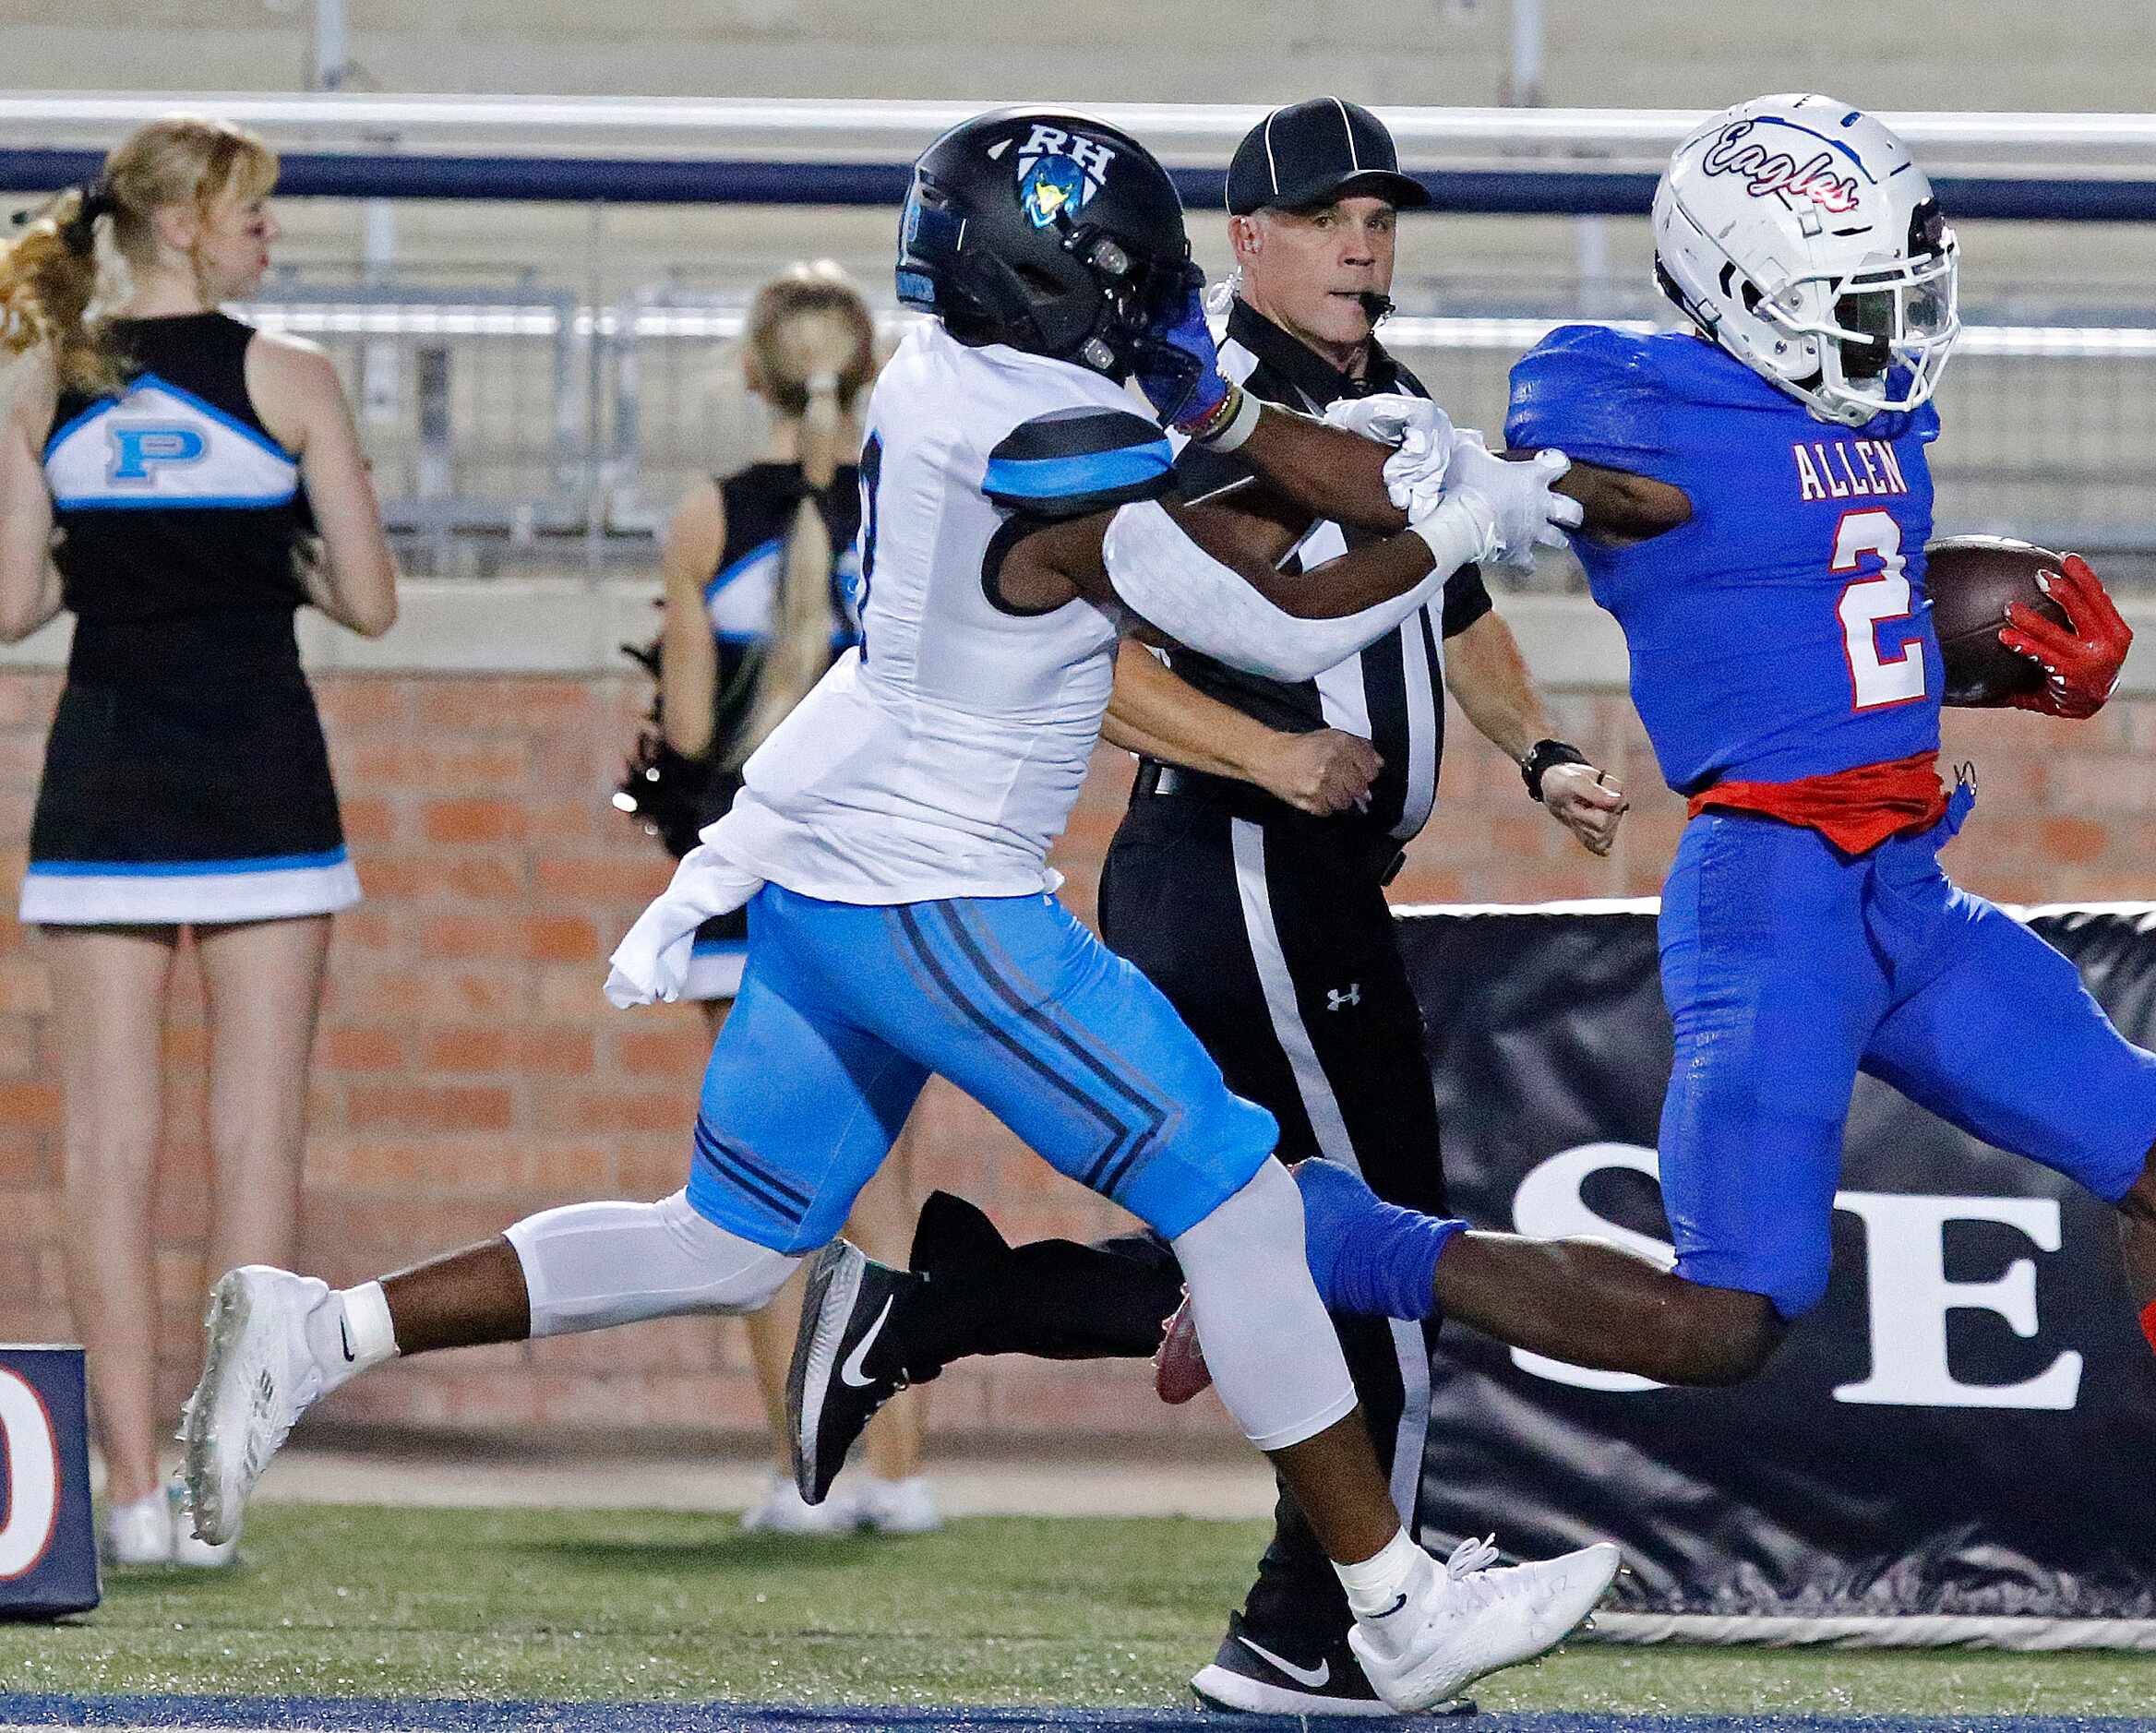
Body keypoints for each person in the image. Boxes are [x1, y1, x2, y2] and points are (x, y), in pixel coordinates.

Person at [811, 93, 2156, 1679]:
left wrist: (1987, 636)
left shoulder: (1859, 402)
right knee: (1722, 1326)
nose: (1894, 323)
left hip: (1902, 889)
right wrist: (1427, 469)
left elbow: (1821, 575)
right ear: (1752, 283)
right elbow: (1611, 498)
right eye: (1858, 289)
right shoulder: (1620, 399)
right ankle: (1300, 1242)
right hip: (1773, 894)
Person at [176, 107, 1614, 1714]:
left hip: (833, 895)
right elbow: (1276, 623)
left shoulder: (948, 373)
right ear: (1058, 282)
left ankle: (318, 1329)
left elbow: (1238, 440)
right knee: (1245, 1199)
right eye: (1132, 274)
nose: (1157, 298)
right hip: (946, 904)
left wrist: (1416, 456)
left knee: (725, 1242)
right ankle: (1386, 1598)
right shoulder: (1055, 454)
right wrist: (1456, 523)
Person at [802, 98, 1628, 1717]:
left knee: (1278, 1226)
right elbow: (1075, 651)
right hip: (1232, 853)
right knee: (1376, 1232)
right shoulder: (1182, 401)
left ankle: (964, 1298)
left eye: (1381, 215)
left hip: (1311, 872)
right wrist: (1264, 745)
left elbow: (1453, 609)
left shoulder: (1384, 402)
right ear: (1241, 237)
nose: (1363, 243)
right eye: (1328, 216)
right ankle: (1327, 1620)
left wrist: (1535, 751)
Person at [0, 115, 397, 1569]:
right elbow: (370, 602)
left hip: (104, 783)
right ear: (178, 222)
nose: (266, 234)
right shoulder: (291, 376)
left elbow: (7, 604)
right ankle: (211, 1491)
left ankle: (120, 1494)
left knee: (107, 1149)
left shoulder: (51, 377)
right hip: (262, 788)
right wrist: (269, 552)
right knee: (252, 1142)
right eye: (249, 212)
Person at [633, 262, 934, 1537]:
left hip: (752, 882)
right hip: (894, 873)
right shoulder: (915, 503)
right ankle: (904, 1477)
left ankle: (799, 1476)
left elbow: (693, 729)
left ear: (751, 376)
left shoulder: (709, 517)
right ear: (866, 373)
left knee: (760, 1188)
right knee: (891, 1187)